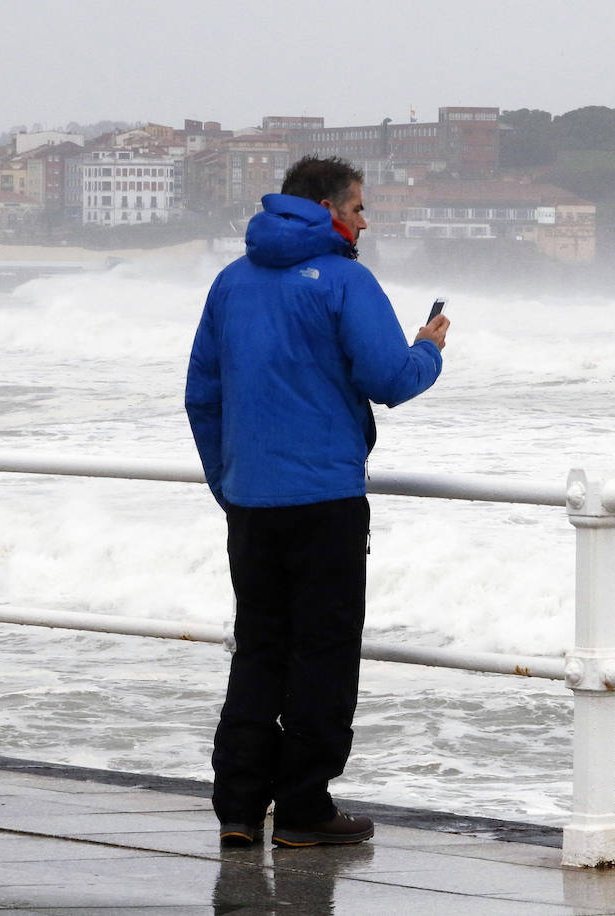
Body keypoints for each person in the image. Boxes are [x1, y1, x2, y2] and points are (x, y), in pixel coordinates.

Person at [185, 155, 449, 849]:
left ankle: (239, 809)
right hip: (326, 500)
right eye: (360, 208)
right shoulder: (344, 279)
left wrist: (229, 485)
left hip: (252, 502)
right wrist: (429, 350)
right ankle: (303, 810)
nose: (365, 222)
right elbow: (388, 378)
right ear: (330, 210)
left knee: (260, 650)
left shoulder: (230, 283)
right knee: (323, 654)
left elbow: (202, 397)